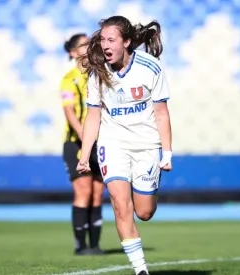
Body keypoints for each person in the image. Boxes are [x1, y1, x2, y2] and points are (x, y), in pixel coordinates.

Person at [76, 16, 173, 275]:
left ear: (127, 42)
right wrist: (85, 155)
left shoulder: (150, 68)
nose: (105, 45)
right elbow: (93, 115)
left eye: (111, 40)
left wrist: (167, 153)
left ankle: (147, 192)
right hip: (113, 144)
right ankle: (140, 270)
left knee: (144, 212)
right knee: (120, 204)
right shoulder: (99, 71)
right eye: (103, 40)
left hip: (147, 146)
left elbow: (162, 113)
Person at [60, 33, 106, 256]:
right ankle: (81, 245)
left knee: (98, 193)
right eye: (83, 44)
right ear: (72, 52)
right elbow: (69, 111)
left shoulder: (100, 74)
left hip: (101, 143)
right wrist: (86, 138)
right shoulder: (69, 79)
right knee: (83, 191)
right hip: (76, 143)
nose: (89, 47)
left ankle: (95, 246)